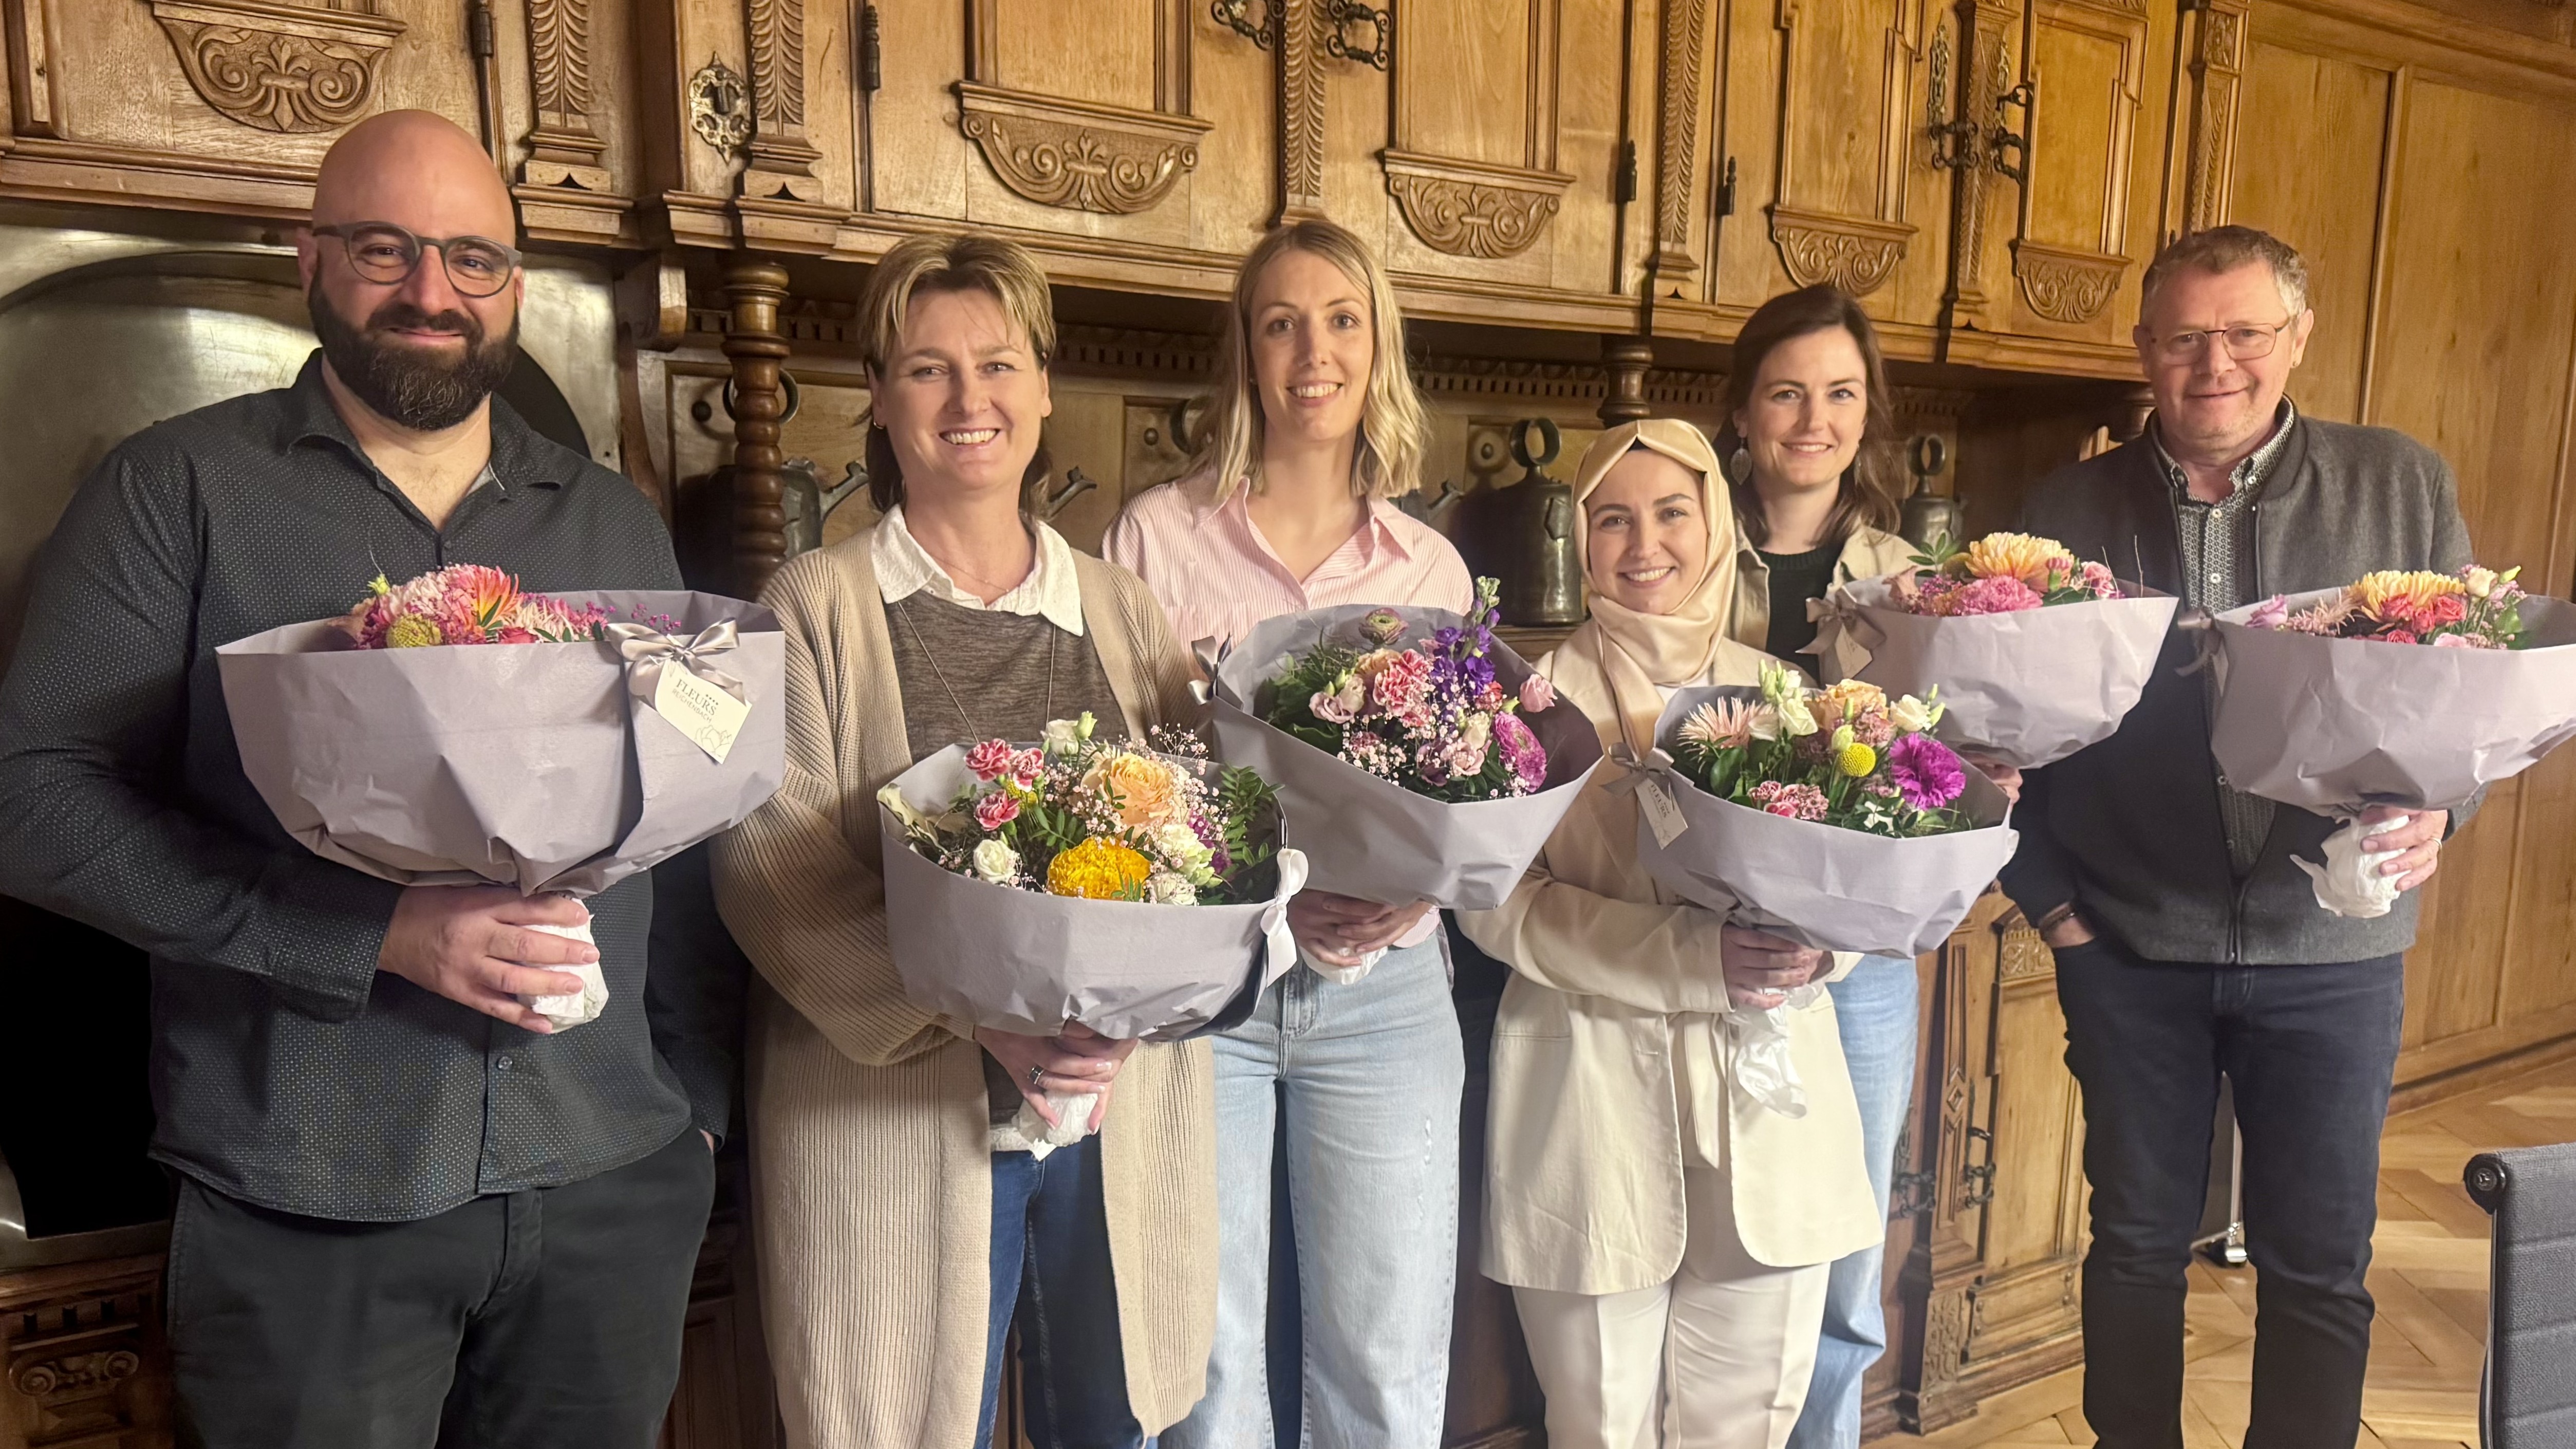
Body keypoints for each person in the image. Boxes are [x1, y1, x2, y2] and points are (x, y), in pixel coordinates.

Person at [0, 110, 741, 1447]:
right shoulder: (179, 491)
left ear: (513, 282)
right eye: (385, 249)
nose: (430, 291)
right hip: (307, 1200)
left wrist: (692, 1107)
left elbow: (679, 830)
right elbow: (30, 795)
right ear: (312, 259)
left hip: (607, 1184)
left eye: (471, 257)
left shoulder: (610, 518)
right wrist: (368, 934)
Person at [710, 232, 1214, 1449]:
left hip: (1110, 1120)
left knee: (1115, 1426)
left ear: (1043, 386)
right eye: (926, 369)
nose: (967, 399)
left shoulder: (1123, 608)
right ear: (878, 400)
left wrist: (1130, 1013)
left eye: (996, 364)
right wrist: (985, 1019)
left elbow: (1200, 846)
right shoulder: (809, 606)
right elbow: (771, 869)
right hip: (893, 1121)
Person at [1999, 224, 2470, 1449]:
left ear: (2295, 337)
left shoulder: (2397, 484)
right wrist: (2055, 912)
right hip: (2127, 946)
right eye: (2183, 338)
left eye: (2244, 332)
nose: (2214, 363)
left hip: (2332, 948)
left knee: (2319, 1262)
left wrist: (2442, 806)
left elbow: (2466, 693)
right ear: (2142, 349)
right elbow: (1999, 744)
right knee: (2134, 1247)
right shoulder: (2062, 509)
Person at [1102, 218, 1474, 1448]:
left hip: (1387, 997)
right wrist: (1266, 899)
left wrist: (1418, 893)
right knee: (1201, 1358)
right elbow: (1128, 778)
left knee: (1386, 1354)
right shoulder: (1151, 541)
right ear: (1245, 354)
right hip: (1209, 993)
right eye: (1280, 324)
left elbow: (1468, 794)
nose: (1313, 353)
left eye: (1340, 320)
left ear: (1378, 347)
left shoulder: (1430, 570)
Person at [1457, 418, 1884, 1449]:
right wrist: (1692, 959)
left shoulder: (1793, 696)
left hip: (1766, 1101)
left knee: (1746, 1422)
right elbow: (1491, 900)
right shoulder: (1522, 704)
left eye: (1670, 513)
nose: (1642, 544)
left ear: (1716, 525)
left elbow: (1863, 880)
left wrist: (1824, 948)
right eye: (1611, 519)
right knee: (1596, 1422)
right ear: (1579, 537)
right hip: (1585, 1096)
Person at [1716, 285, 1950, 1449]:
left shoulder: (1912, 579)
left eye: (1841, 394)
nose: (1814, 421)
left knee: (1845, 1243)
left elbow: (1940, 765)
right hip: (1701, 944)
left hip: (1858, 962)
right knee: (1714, 1242)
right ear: (1743, 409)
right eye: (1787, 393)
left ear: (1868, 414)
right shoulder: (1680, 545)